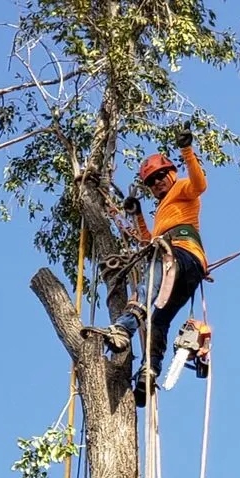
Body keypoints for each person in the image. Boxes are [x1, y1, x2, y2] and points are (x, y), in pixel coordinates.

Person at [101, 124, 207, 407]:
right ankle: (149, 371)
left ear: (172, 173)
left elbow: (200, 184)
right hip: (187, 268)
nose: (158, 182)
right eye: (152, 181)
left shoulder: (183, 188)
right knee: (159, 319)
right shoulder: (163, 209)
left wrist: (187, 150)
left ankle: (123, 329)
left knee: (148, 287)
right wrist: (137, 215)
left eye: (161, 175)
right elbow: (148, 241)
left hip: (181, 255)